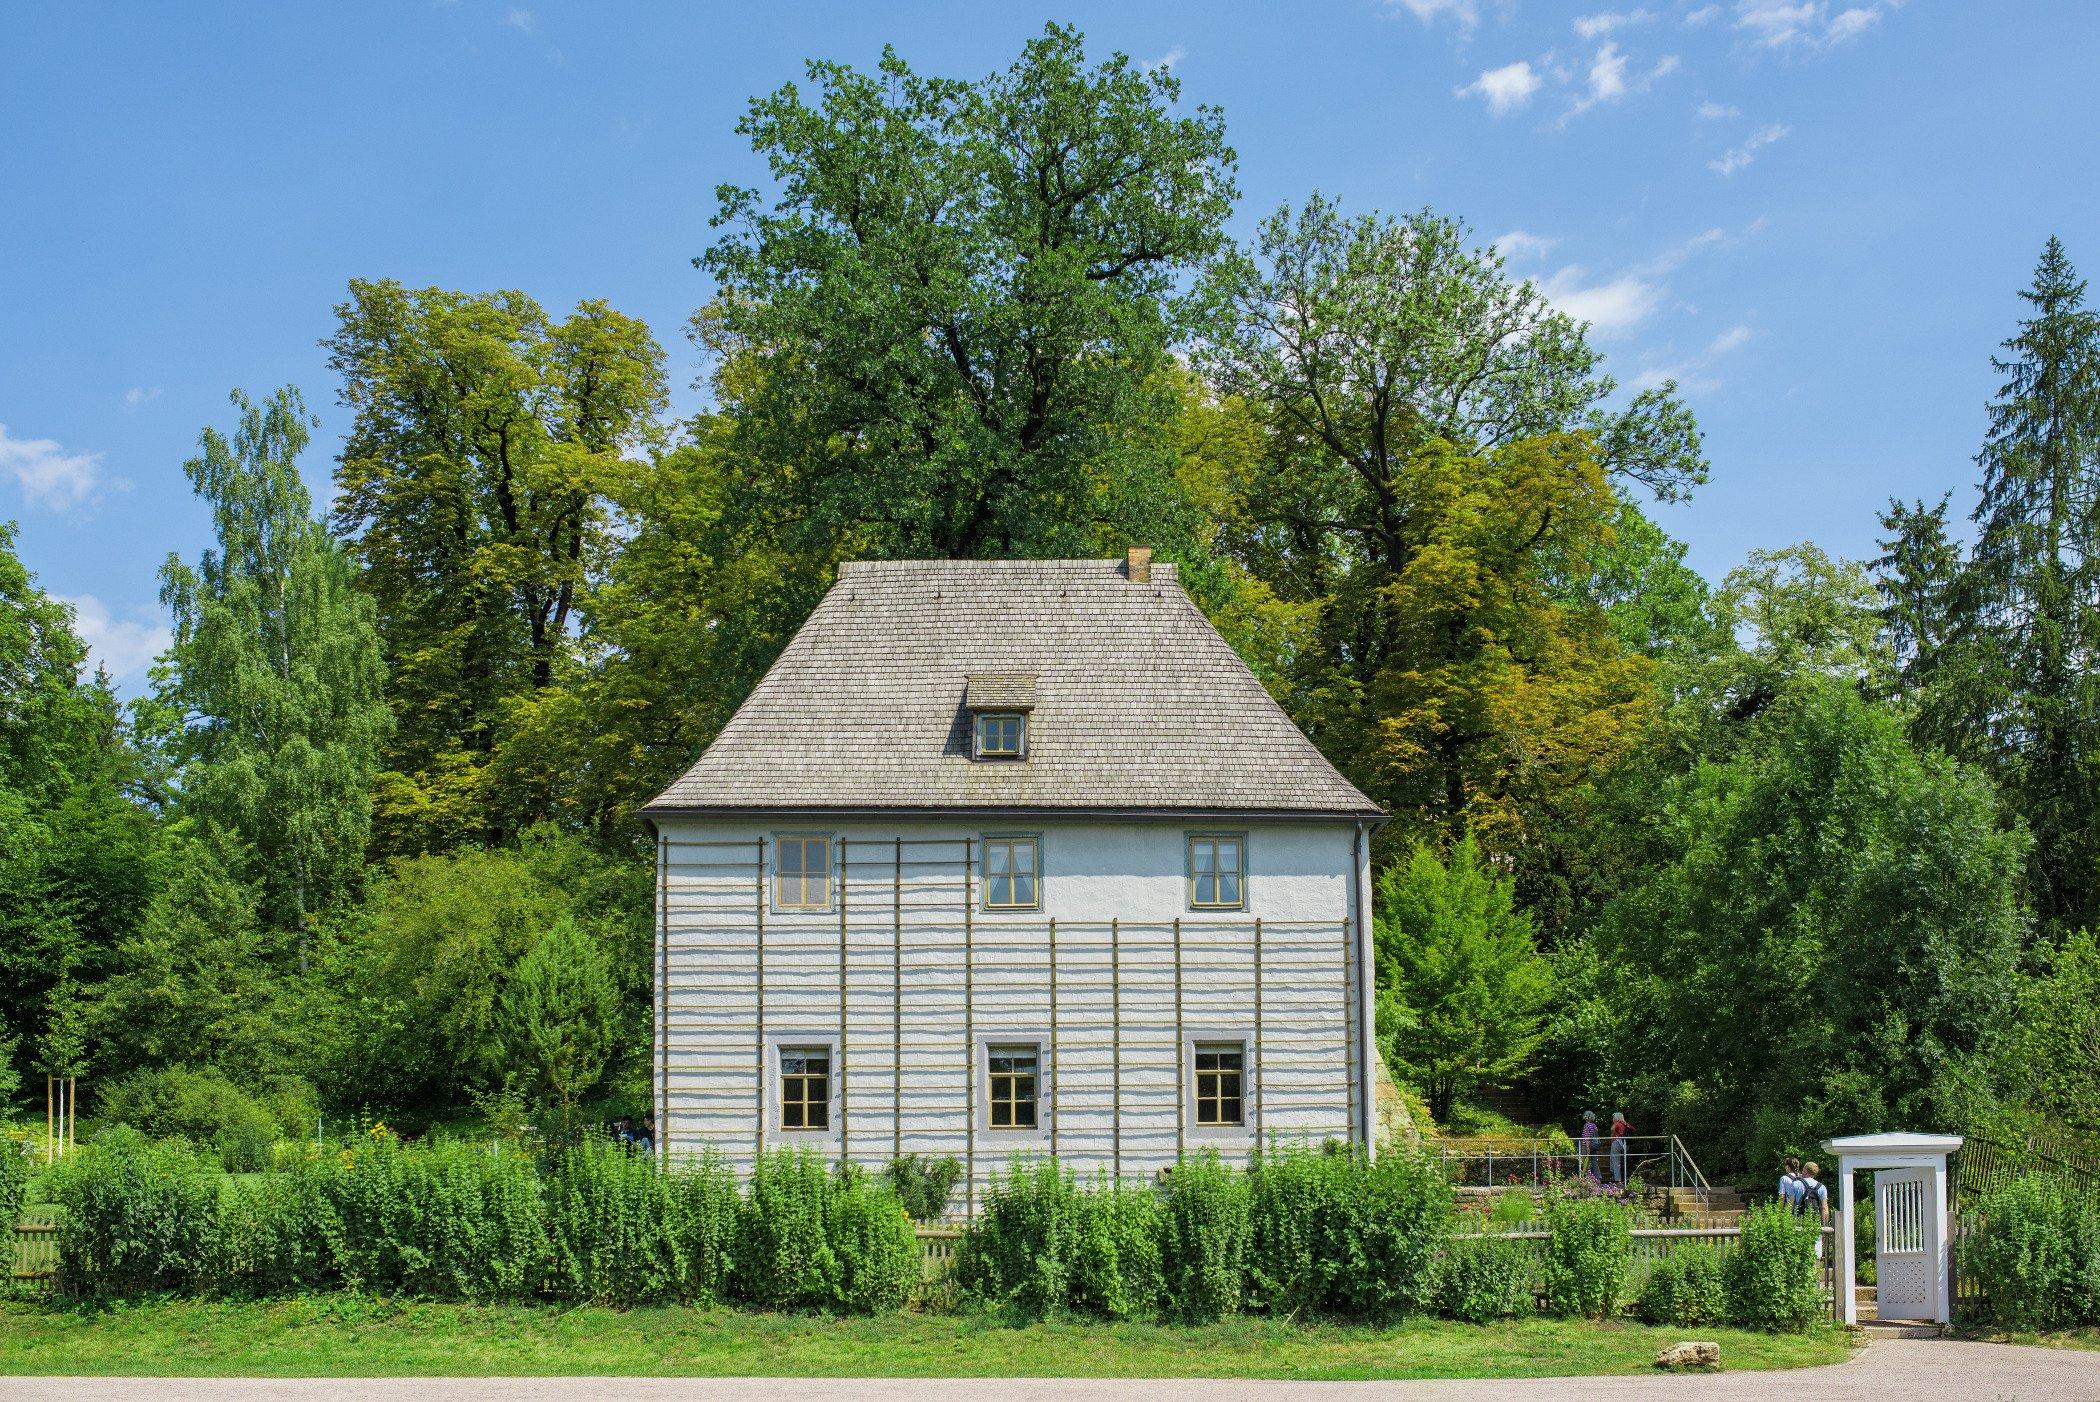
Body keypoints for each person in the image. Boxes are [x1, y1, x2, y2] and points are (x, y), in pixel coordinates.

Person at [1797, 1160, 1830, 1258]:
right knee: (1816, 1249)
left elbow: (1791, 1204)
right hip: (1815, 1220)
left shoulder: (1796, 1184)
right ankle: (1816, 1268)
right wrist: (1824, 1225)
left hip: (1799, 1219)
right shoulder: (1822, 1187)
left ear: (1806, 1171)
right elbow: (1824, 1208)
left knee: (1799, 1249)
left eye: (1803, 1169)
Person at [1609, 1110, 1632, 1185]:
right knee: (1625, 1162)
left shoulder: (1617, 1123)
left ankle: (1617, 1180)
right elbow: (1634, 1130)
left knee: (1616, 1162)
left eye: (1613, 1117)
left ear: (1616, 1118)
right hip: (1626, 1144)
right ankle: (1626, 1178)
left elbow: (1612, 1129)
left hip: (1617, 1143)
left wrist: (1614, 1134)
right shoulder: (1626, 1124)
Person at [1577, 1111, 1600, 1178]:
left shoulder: (1586, 1125)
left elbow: (1587, 1137)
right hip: (1594, 1145)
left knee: (1584, 1161)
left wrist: (1587, 1147)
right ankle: (1598, 1178)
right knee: (1594, 1162)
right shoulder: (1594, 1125)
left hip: (1586, 1146)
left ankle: (1586, 1177)